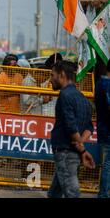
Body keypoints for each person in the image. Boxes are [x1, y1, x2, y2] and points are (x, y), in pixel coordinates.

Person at [47, 60, 95, 198]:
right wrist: (81, 144)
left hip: (65, 151)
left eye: (52, 75)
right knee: (54, 193)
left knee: (71, 192)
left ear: (62, 74)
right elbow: (89, 127)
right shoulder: (82, 98)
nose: (51, 79)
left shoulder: (65, 95)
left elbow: (70, 125)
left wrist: (81, 148)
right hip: (72, 152)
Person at [94, 60, 110, 198]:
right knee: (108, 164)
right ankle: (104, 193)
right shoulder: (108, 85)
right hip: (108, 129)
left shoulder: (99, 84)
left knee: (106, 163)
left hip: (102, 128)